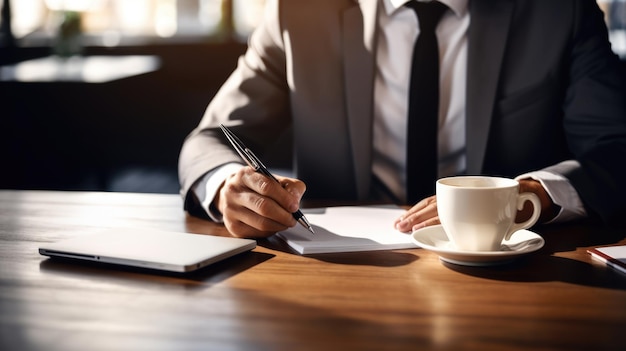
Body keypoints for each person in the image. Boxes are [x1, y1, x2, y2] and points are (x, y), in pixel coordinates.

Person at [178, 0, 626, 238]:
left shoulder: (559, 11)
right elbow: (209, 140)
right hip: (342, 273)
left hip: (506, 268)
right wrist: (227, 185)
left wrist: (529, 195)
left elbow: (615, 151)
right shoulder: (298, 11)